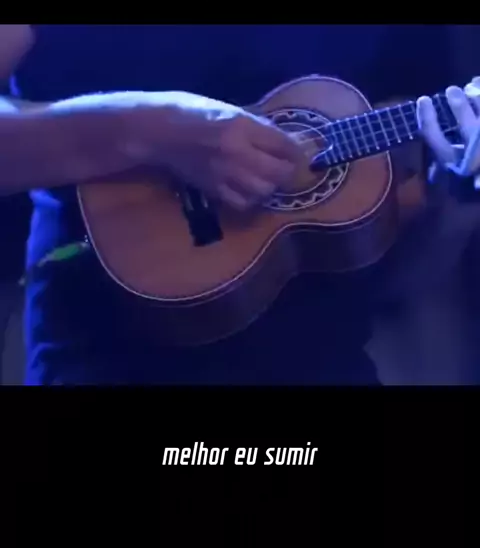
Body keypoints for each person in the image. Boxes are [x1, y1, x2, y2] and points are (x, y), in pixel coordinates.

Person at [1, 24, 478, 385]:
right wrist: (153, 129)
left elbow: (406, 278)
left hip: (324, 363)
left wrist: (458, 197)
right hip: (100, 356)